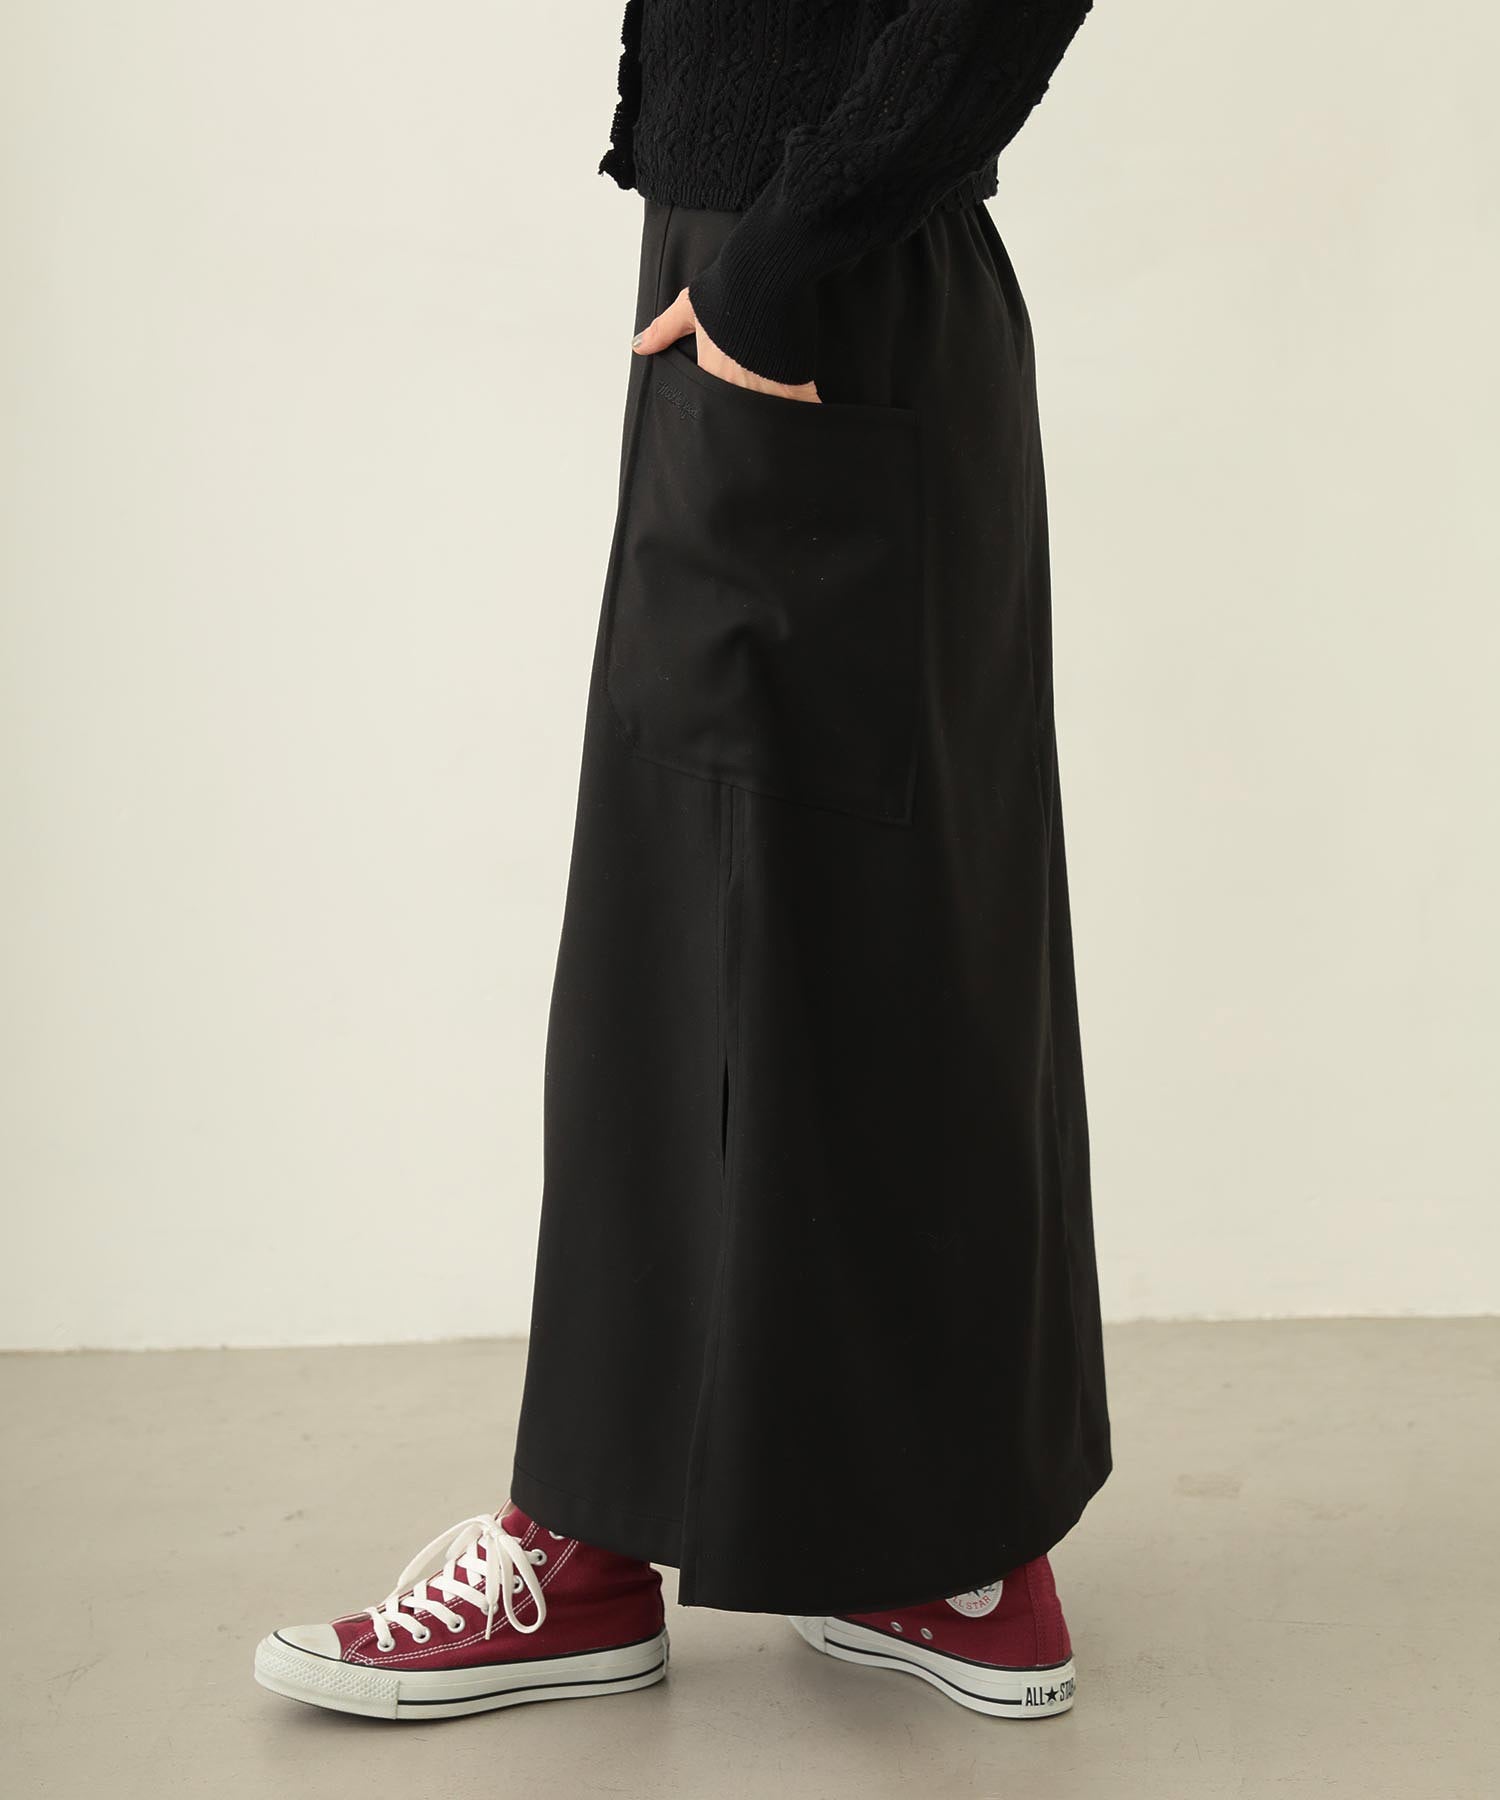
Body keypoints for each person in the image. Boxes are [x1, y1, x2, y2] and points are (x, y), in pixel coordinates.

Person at [254, 0, 1110, 1724]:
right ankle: (922, 1555)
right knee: (798, 923)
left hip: (817, 284)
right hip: (799, 270)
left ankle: (635, 1550)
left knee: (763, 935)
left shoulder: (803, 257)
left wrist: (779, 256)